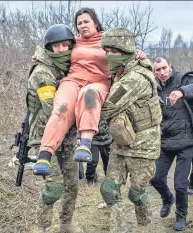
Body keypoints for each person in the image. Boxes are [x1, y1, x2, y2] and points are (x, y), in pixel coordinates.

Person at [33, 8, 145, 176]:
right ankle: (45, 154)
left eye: (86, 21)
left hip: (98, 82)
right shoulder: (74, 42)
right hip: (72, 80)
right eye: (79, 23)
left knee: (89, 95)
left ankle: (85, 143)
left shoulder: (108, 39)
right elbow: (54, 49)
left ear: (95, 22)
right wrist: (39, 57)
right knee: (61, 108)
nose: (83, 25)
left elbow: (125, 50)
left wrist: (139, 54)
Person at [100, 27, 162, 233]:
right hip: (121, 142)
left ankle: (143, 228)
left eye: (114, 51)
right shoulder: (121, 70)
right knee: (109, 190)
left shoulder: (136, 78)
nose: (109, 56)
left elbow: (108, 106)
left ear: (126, 52)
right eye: (106, 50)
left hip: (143, 146)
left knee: (137, 194)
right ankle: (117, 229)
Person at [27, 24, 78, 233]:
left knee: (72, 185)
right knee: (54, 187)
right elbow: (53, 110)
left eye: (65, 45)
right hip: (44, 138)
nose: (61, 49)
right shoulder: (42, 72)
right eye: (56, 46)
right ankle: (42, 227)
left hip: (66, 138)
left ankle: (65, 226)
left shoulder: (69, 67)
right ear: (49, 47)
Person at [150, 56, 193, 231]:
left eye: (164, 68)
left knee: (181, 185)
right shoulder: (154, 86)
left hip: (186, 140)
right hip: (166, 140)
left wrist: (182, 91)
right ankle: (168, 198)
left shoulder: (183, 79)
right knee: (155, 178)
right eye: (157, 70)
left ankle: (181, 217)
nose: (162, 73)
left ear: (170, 66)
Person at [79, 119, 112, 186]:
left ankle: (108, 177)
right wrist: (79, 137)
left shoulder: (107, 109)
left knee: (108, 160)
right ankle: (90, 178)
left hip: (107, 138)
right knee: (93, 161)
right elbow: (80, 121)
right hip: (92, 139)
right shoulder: (87, 109)